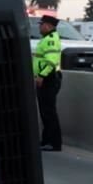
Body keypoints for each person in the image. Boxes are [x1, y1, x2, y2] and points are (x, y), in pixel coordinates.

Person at [33, 14, 63, 152]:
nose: (39, 26)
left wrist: (41, 76)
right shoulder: (46, 39)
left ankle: (54, 143)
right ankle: (46, 140)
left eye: (41, 24)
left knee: (49, 112)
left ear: (49, 26)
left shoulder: (50, 40)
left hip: (49, 78)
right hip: (46, 78)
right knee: (45, 112)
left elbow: (51, 61)